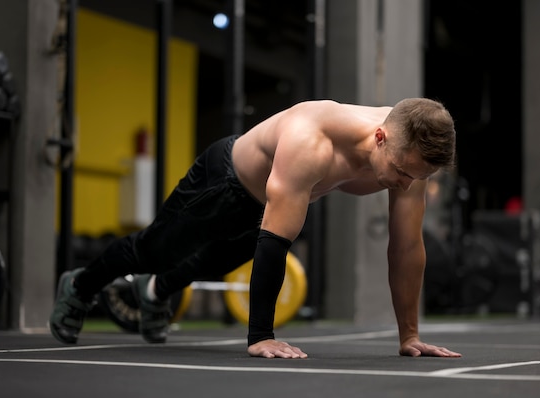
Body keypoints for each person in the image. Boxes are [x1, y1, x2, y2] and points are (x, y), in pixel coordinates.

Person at [50, 97, 462, 359]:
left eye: (416, 177)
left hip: (266, 198)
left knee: (214, 262)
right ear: (379, 138)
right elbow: (276, 243)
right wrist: (261, 335)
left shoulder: (409, 155)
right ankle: (80, 286)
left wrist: (409, 336)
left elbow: (406, 247)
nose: (406, 184)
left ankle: (154, 292)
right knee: (154, 252)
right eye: (402, 173)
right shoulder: (312, 139)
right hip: (226, 181)